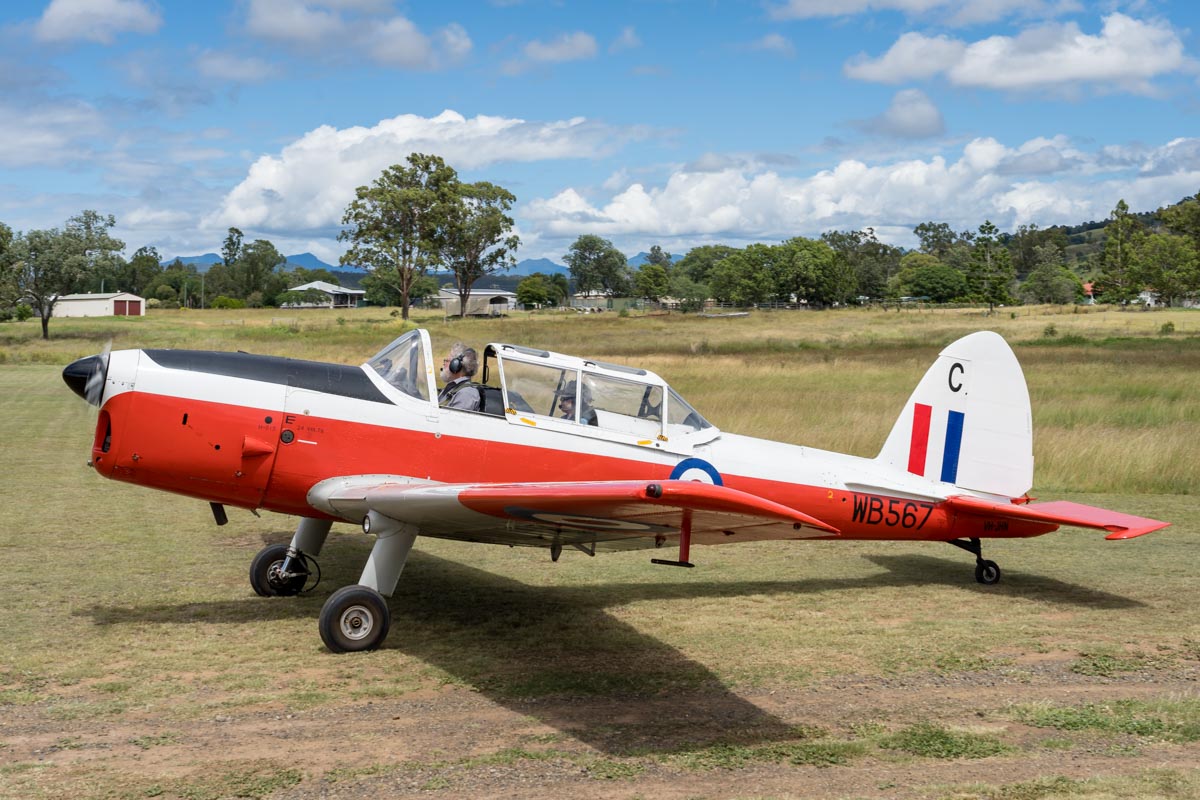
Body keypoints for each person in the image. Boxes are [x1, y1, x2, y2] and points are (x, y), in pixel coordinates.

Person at [437, 343, 481, 411]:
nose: (444, 363)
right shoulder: (453, 388)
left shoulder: (466, 394)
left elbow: (454, 418)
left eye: (447, 361)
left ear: (455, 365)